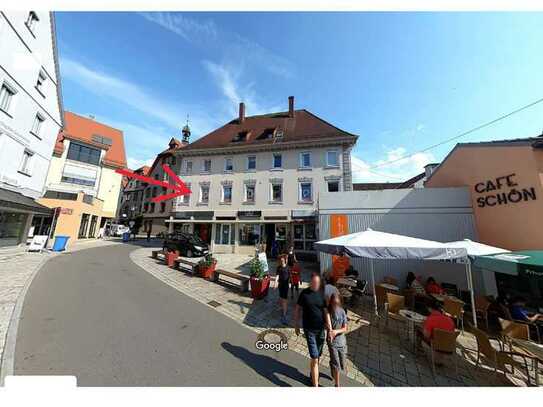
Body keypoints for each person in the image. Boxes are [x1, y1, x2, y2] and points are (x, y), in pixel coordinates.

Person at [294, 272, 326, 387]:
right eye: (315, 283)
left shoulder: (322, 293)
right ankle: (315, 385)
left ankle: (312, 374)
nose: (316, 285)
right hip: (309, 330)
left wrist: (330, 326)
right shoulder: (304, 294)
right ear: (311, 282)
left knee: (318, 355)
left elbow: (325, 311)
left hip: (321, 330)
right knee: (315, 357)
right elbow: (297, 309)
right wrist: (296, 325)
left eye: (318, 283)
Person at [325, 293, 348, 387]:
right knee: (337, 364)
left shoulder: (342, 312)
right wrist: (330, 331)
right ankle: (337, 385)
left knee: (342, 363)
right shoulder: (328, 312)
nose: (335, 305)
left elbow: (345, 328)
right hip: (332, 343)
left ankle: (332, 366)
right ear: (331, 303)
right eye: (333, 303)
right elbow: (329, 326)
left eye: (337, 303)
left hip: (342, 342)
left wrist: (336, 331)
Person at [275, 255, 290, 325]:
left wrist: (292, 282)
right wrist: (275, 283)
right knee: (281, 297)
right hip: (280, 285)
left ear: (284, 260)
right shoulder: (278, 268)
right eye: (280, 261)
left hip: (286, 286)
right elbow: (277, 276)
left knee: (284, 299)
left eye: (282, 260)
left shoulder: (287, 268)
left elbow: (290, 276)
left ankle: (284, 314)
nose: (281, 261)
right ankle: (283, 308)